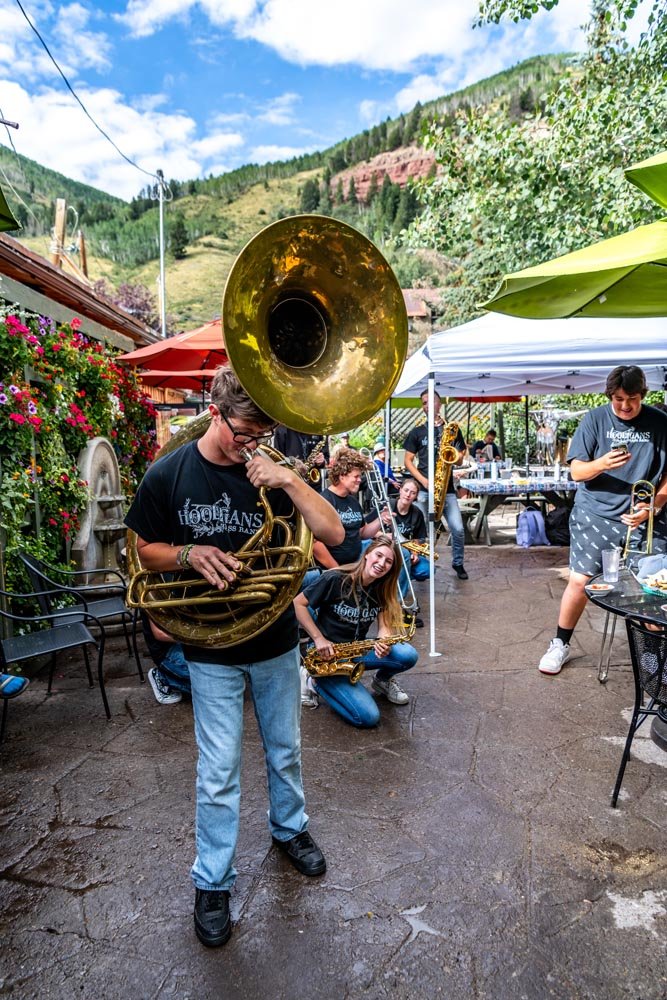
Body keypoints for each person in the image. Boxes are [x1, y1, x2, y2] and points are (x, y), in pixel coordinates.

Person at [125, 367, 344, 949]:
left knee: (286, 749)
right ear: (215, 414)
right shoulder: (168, 473)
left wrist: (287, 480)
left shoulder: (273, 470)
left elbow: (335, 533)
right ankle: (213, 880)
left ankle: (290, 830)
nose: (254, 443)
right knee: (218, 770)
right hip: (210, 647)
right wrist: (190, 552)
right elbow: (144, 553)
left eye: (263, 432)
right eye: (245, 432)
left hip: (272, 639)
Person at [538, 365, 667, 676]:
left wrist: (654, 506)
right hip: (595, 513)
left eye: (633, 399)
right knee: (580, 580)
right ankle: (560, 643)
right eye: (619, 398)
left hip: (643, 518)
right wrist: (602, 463)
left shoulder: (660, 422)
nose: (625, 406)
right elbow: (576, 471)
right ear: (610, 395)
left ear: (643, 395)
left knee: (654, 588)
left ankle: (654, 660)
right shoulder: (595, 419)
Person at [294, 535, 419, 727]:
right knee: (368, 717)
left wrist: (383, 641)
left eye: (388, 562)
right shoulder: (335, 578)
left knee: (408, 654)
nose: (381, 564)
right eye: (378, 555)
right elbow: (298, 604)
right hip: (327, 655)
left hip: (356, 651)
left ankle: (382, 681)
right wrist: (318, 639)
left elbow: (385, 626)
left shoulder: (382, 588)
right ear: (367, 554)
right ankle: (314, 681)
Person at [403, 388, 469, 580]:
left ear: (439, 404)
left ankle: (458, 563)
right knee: (421, 529)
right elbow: (408, 460)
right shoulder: (417, 432)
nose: (426, 405)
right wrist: (423, 480)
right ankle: (422, 565)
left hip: (446, 488)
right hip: (423, 489)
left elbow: (460, 457)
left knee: (457, 528)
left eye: (430, 401)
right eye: (423, 403)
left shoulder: (452, 429)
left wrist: (454, 457)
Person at [313, 447, 392, 570]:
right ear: (342, 476)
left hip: (353, 566)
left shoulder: (352, 501)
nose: (360, 480)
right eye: (356, 476)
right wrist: (336, 569)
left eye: (360, 476)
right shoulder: (324, 500)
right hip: (332, 570)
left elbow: (361, 533)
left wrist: (381, 518)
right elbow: (316, 544)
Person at [389, 477, 429, 626]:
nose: (408, 495)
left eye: (412, 493)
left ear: (416, 496)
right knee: (404, 556)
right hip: (386, 550)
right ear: (400, 490)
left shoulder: (416, 513)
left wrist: (416, 552)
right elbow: (368, 529)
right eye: (406, 490)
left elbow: (418, 538)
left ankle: (396, 581)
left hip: (405, 551)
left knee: (427, 569)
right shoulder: (388, 506)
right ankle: (398, 606)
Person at [141, 612, 191, 705]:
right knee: (209, 688)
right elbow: (160, 634)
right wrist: (192, 639)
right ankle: (162, 678)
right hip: (167, 651)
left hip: (183, 642)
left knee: (215, 679)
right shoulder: (151, 598)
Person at [272, 426, 329, 491]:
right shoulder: (282, 430)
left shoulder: (319, 430)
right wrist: (292, 463)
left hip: (314, 484)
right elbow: (277, 461)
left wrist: (322, 461)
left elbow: (327, 459)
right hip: (291, 484)